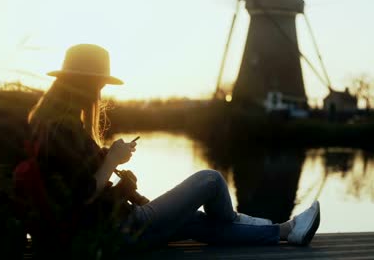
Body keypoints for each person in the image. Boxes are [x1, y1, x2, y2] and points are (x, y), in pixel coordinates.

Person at [22, 44, 320, 257]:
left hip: (110, 232)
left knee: (195, 222)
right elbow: (82, 195)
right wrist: (112, 159)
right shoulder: (62, 130)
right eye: (97, 84)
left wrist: (112, 169)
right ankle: (244, 220)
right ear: (84, 84)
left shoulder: (51, 127)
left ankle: (284, 231)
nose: (99, 92)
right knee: (211, 179)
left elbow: (78, 189)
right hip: (117, 233)